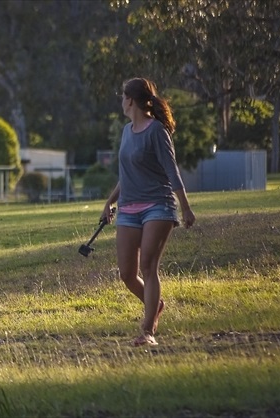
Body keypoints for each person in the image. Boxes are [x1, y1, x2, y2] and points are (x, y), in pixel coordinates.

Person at [100, 77, 196, 347]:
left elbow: (171, 171)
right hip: (129, 208)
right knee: (127, 274)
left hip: (159, 205)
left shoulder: (157, 131)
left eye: (122, 96)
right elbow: (126, 175)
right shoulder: (126, 131)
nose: (121, 101)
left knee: (148, 266)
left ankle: (147, 331)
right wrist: (109, 202)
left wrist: (185, 208)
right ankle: (156, 305)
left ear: (130, 100)